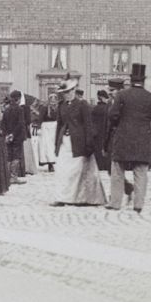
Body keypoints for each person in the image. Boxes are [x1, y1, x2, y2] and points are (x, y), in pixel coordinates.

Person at [106, 64, 151, 213]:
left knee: (117, 170)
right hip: (143, 140)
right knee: (141, 172)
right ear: (143, 80)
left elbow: (113, 115)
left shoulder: (122, 95)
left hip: (123, 138)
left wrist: (119, 124)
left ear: (130, 79)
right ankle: (138, 205)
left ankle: (115, 203)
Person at [51, 78, 106, 206]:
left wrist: (89, 144)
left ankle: (79, 198)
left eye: (69, 91)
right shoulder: (61, 106)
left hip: (78, 143)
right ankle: (61, 197)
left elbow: (88, 125)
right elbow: (59, 125)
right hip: (64, 142)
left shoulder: (82, 105)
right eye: (64, 92)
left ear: (74, 91)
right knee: (62, 170)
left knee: (76, 172)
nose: (66, 94)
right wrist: (56, 143)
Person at [4, 91, 27, 185]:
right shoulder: (19, 109)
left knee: (9, 156)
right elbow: (20, 123)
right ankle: (14, 176)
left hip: (8, 136)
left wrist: (7, 134)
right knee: (16, 156)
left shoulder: (7, 109)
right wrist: (13, 134)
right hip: (17, 136)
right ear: (18, 99)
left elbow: (3, 123)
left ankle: (8, 176)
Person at [36, 93, 60, 171]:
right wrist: (39, 128)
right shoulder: (44, 108)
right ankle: (50, 164)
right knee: (47, 146)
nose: (53, 100)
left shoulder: (58, 108)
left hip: (55, 127)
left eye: (54, 99)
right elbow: (40, 118)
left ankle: (55, 162)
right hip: (46, 128)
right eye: (51, 99)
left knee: (55, 145)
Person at [90, 90, 112, 171]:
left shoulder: (94, 109)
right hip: (106, 131)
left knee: (98, 150)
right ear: (103, 98)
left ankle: (99, 165)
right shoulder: (108, 108)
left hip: (97, 133)